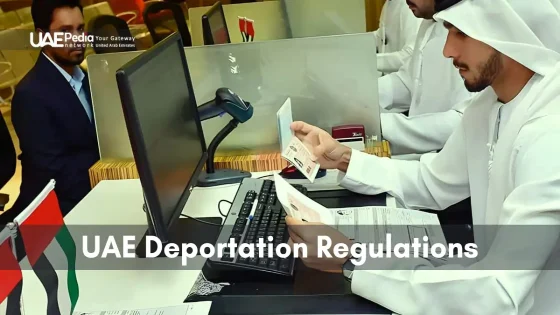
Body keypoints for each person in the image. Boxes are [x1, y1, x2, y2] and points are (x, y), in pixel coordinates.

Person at [286, 0, 560, 313]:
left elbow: (499, 290)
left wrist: (352, 258)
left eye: (460, 33)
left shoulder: (550, 133)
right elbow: (433, 182)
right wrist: (344, 158)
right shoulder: (489, 104)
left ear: (506, 32)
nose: (447, 51)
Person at [10, 0, 99, 216]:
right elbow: (57, 177)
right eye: (65, 32)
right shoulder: (30, 96)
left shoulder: (86, 77)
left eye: (80, 29)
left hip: (91, 192)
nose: (78, 39)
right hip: (59, 212)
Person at [378, 0, 474, 156]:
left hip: (448, 156)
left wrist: (384, 126)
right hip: (422, 155)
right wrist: (363, 95)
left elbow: (463, 121)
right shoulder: (428, 22)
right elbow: (409, 83)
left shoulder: (467, 29)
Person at [373, 0, 421, 74]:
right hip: (388, 76)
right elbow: (382, 35)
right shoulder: (389, 3)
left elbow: (410, 56)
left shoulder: (411, 7)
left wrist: (370, 61)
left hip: (404, 79)